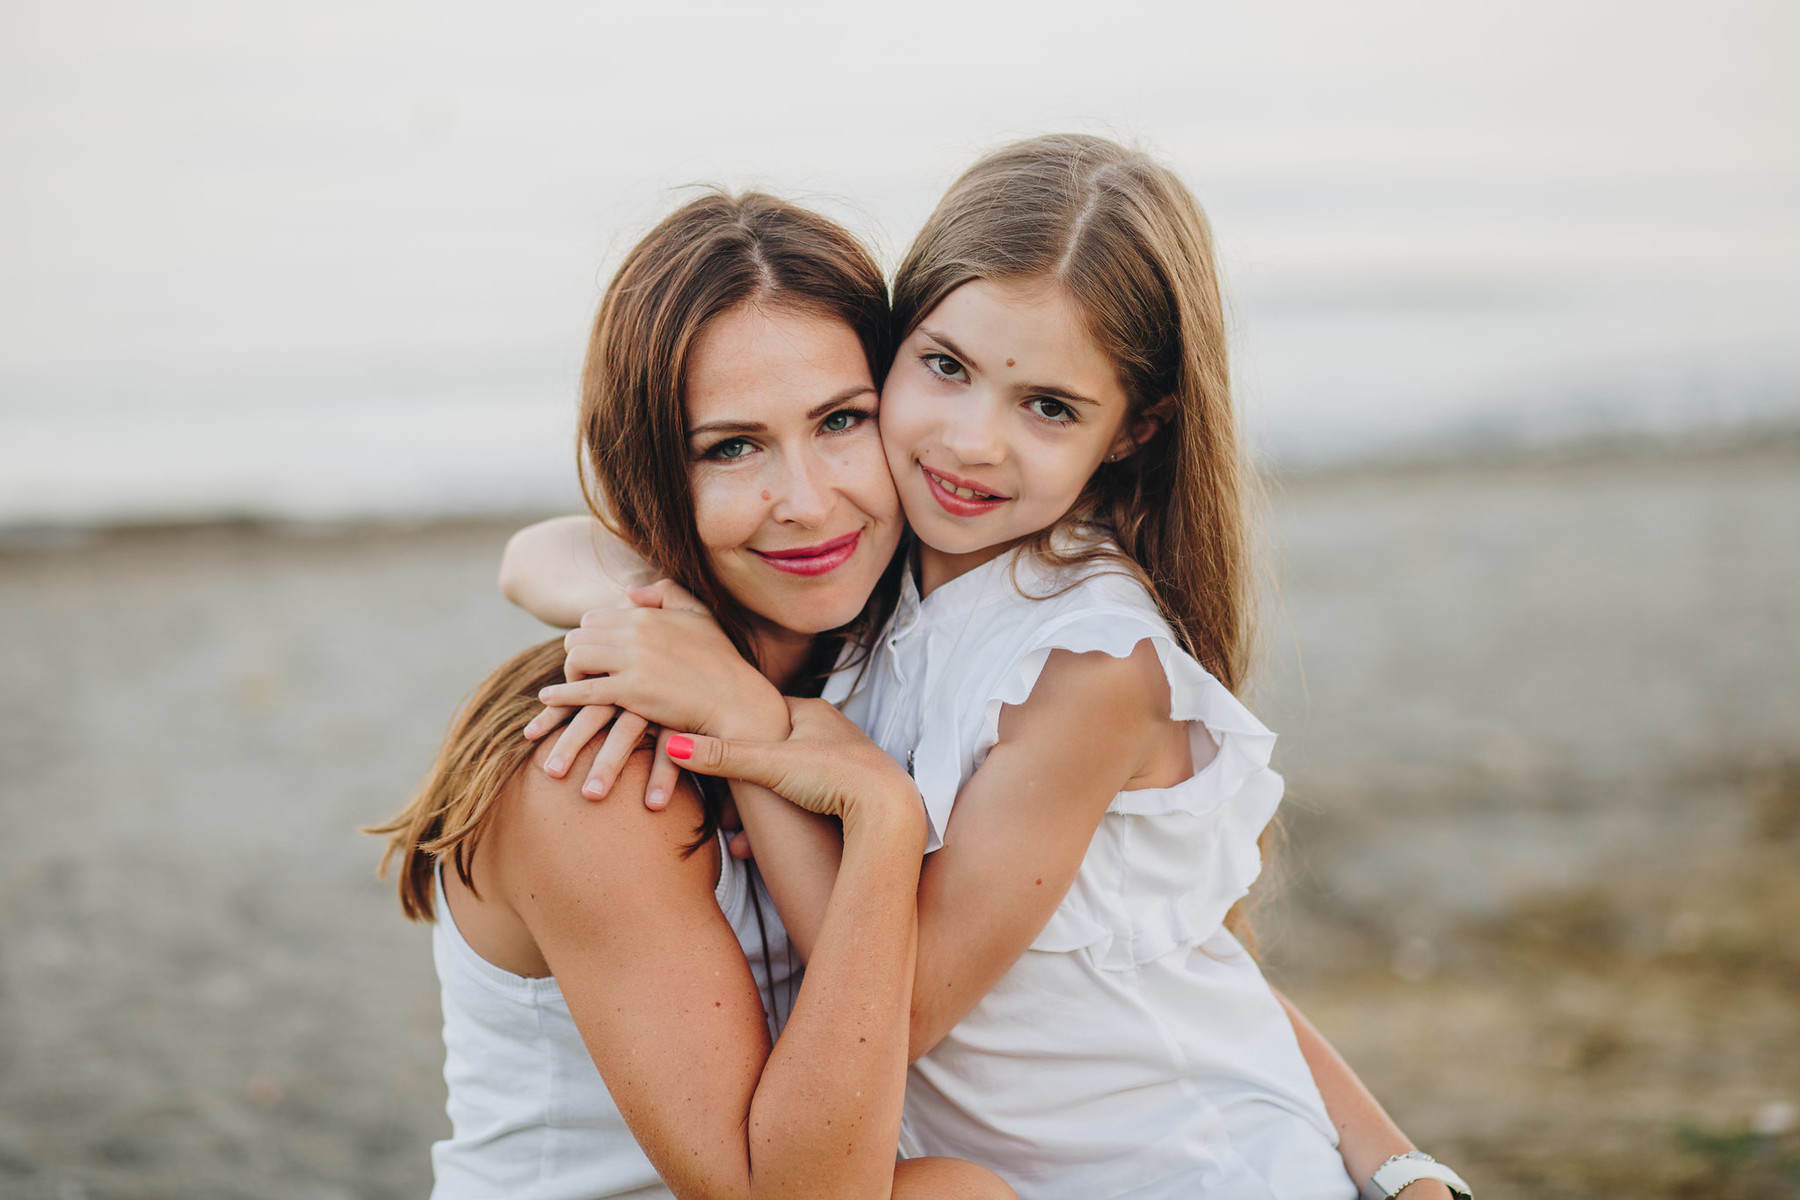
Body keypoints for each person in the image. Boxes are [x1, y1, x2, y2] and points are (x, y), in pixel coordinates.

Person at [513, 138, 1472, 1200]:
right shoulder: (891, 579)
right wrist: (638, 606)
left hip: (1197, 1171)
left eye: (1049, 407)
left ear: (1134, 431)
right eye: (947, 368)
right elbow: (547, 550)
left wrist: (752, 728)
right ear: (894, 345)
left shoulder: (1087, 666)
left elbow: (895, 1008)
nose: (972, 444)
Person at [370, 192, 1016, 1200]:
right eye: (731, 447)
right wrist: (885, 819)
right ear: (648, 472)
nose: (805, 501)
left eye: (841, 421)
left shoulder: (903, 656)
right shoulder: (592, 773)